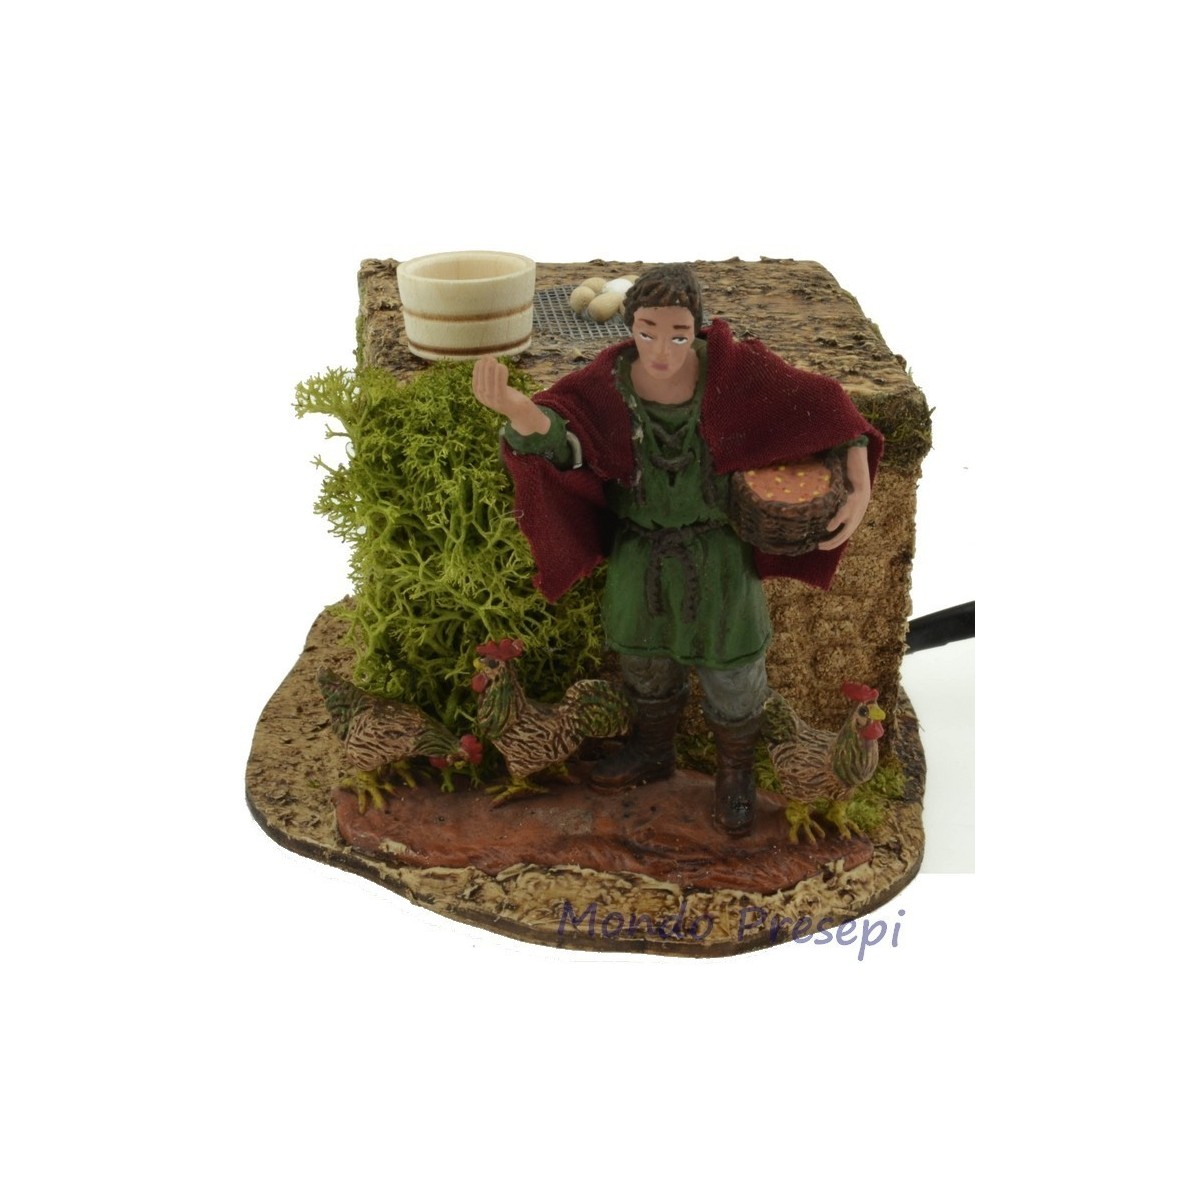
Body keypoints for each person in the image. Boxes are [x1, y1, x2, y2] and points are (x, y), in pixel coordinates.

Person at [471, 264, 882, 835]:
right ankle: (652, 749)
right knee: (643, 662)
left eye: (679, 335)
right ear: (630, 326)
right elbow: (567, 443)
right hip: (640, 552)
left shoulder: (735, 372)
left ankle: (735, 771)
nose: (662, 351)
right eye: (647, 332)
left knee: (734, 672)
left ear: (697, 327)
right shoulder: (605, 383)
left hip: (719, 554)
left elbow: (825, 406)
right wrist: (521, 412)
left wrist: (859, 483)